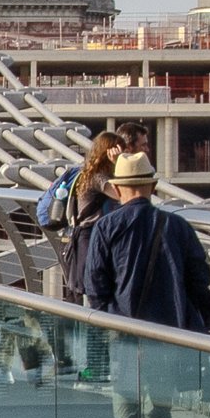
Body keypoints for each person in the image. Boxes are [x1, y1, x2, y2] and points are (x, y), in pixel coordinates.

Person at [86, 150, 210, 418]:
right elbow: (200, 280)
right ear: (152, 187)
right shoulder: (176, 227)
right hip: (167, 336)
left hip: (125, 339)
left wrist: (112, 319)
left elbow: (95, 288)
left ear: (118, 189)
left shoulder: (106, 228)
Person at [59, 130, 122, 308]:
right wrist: (120, 165)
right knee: (91, 288)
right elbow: (124, 195)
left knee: (88, 288)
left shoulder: (87, 173)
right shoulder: (98, 177)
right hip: (91, 236)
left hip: (88, 237)